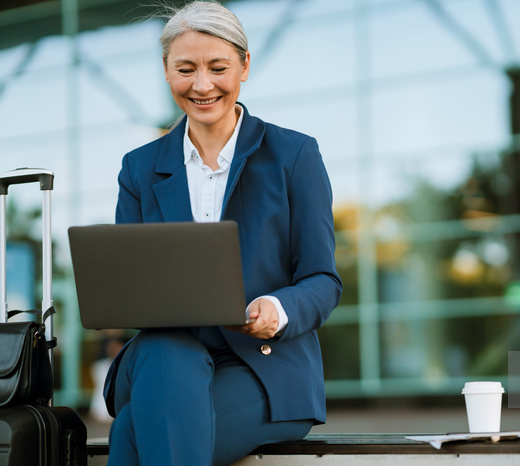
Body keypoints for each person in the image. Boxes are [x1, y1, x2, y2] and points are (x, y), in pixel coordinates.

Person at [103, 1, 342, 465]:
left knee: (135, 431)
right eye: (185, 69)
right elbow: (130, 286)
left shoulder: (294, 156)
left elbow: (322, 280)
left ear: (245, 65)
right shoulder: (138, 168)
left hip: (264, 367)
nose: (202, 85)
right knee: (169, 354)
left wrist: (277, 308)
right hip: (165, 358)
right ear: (167, 72)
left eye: (218, 67)